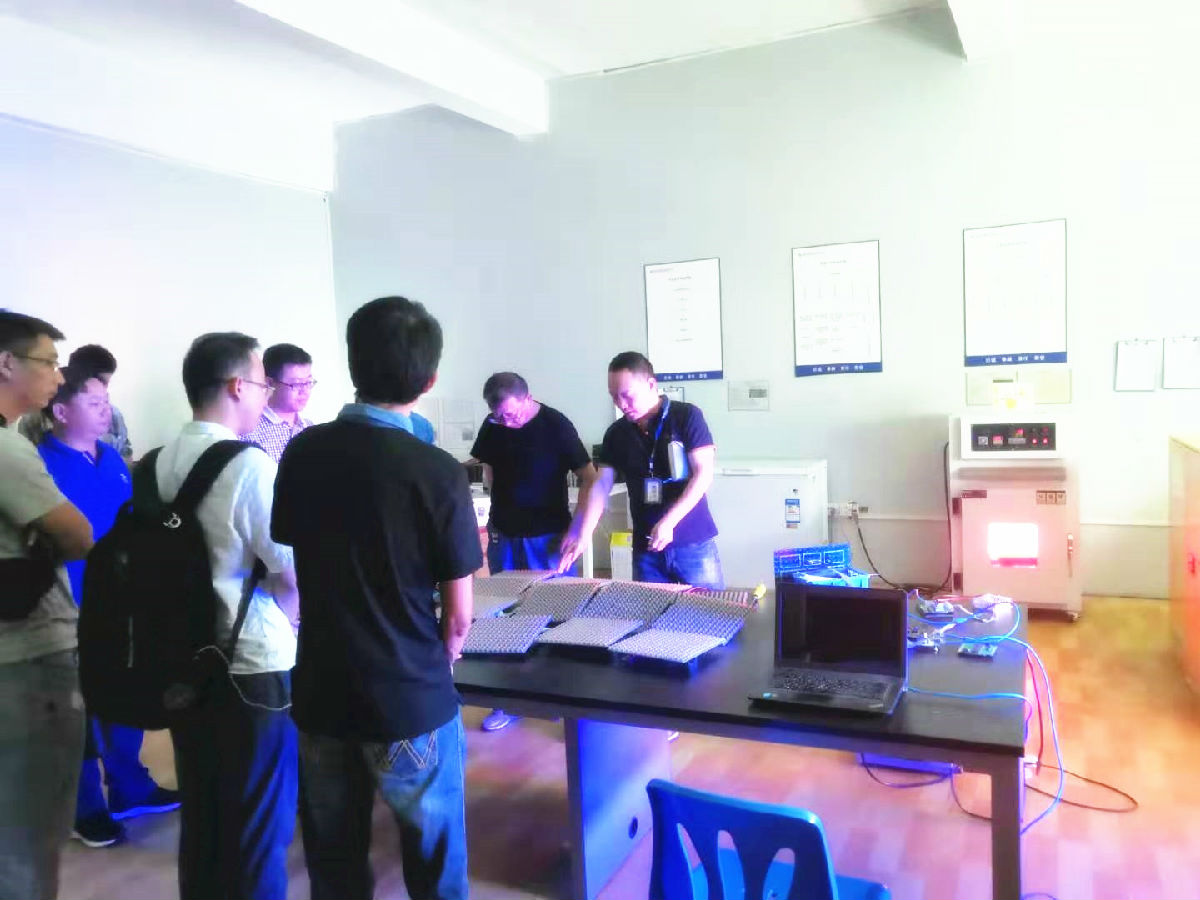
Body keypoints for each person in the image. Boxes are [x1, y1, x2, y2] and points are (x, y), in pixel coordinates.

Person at [273, 296, 480, 900]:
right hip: (407, 694)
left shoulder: (303, 452)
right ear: (430, 379)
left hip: (322, 689)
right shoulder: (437, 470)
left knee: (333, 860)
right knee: (434, 861)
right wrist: (442, 658)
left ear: (351, 364)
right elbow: (459, 615)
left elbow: (298, 560)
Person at [157, 332, 299, 900]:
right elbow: (291, 568)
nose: (267, 393)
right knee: (260, 823)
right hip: (251, 662)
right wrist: (291, 615)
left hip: (182, 657)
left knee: (204, 813)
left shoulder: (156, 462)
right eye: (264, 382)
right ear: (238, 386)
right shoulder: (249, 465)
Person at [36, 366, 180, 849]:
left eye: (106, 401)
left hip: (121, 604)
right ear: (61, 411)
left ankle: (129, 787)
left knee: (122, 692)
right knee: (75, 712)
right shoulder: (39, 465)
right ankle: (85, 808)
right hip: (66, 607)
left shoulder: (114, 459)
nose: (107, 410)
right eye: (95, 403)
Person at [0, 311, 92, 900]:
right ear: (6, 364)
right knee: (28, 832)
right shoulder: (8, 451)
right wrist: (42, 541)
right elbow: (78, 535)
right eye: (49, 362)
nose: (59, 377)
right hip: (28, 658)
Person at [469, 372, 594, 733]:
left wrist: (579, 529)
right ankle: (510, 701)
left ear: (528, 398)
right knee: (506, 616)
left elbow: (589, 476)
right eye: (499, 417)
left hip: (549, 538)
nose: (506, 422)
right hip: (505, 535)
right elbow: (487, 469)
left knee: (555, 618)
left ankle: (562, 700)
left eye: (511, 414)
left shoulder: (555, 424)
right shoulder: (493, 425)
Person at [560, 351, 724, 590]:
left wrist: (669, 522)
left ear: (651, 385)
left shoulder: (686, 416)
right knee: (650, 610)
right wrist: (584, 533)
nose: (621, 404)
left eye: (627, 395)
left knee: (708, 609)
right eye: (614, 396)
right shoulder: (616, 433)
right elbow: (601, 485)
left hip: (693, 543)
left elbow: (703, 474)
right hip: (646, 548)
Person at [19, 344, 132, 460]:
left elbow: (126, 451)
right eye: (102, 382)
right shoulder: (35, 420)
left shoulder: (112, 414)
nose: (104, 387)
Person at [243, 343, 316, 462]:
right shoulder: (250, 431)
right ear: (270, 383)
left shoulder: (310, 427)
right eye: (297, 384)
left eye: (308, 382)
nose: (304, 391)